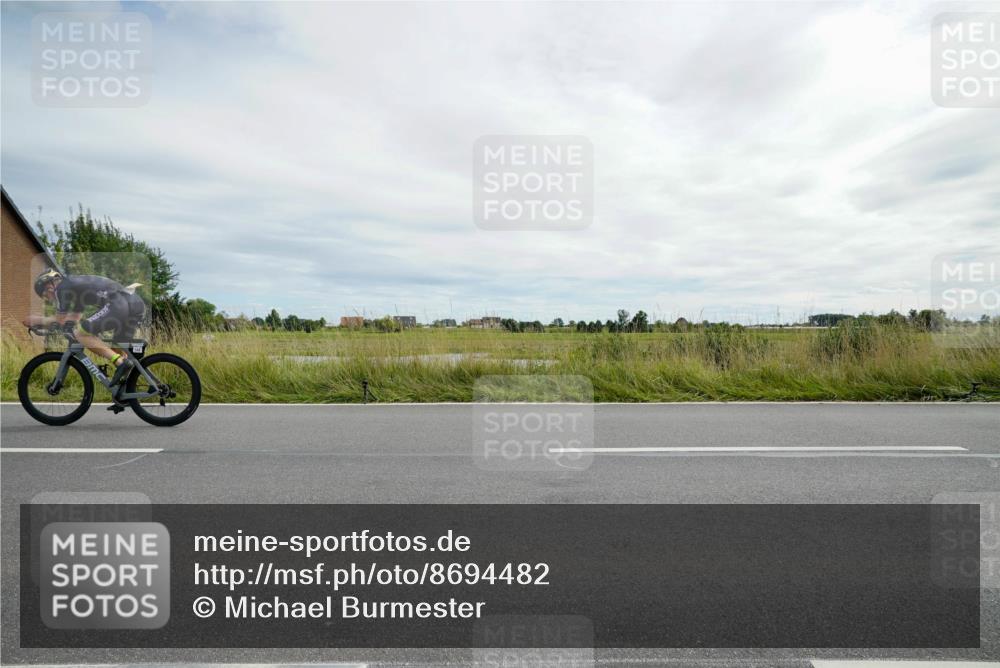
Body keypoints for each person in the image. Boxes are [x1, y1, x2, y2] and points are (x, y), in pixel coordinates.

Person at [24, 268, 146, 385]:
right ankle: (127, 387)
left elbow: (60, 318)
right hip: (135, 303)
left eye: (45, 296)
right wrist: (55, 325)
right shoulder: (75, 287)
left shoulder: (61, 288)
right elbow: (75, 317)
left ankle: (120, 362)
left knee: (81, 334)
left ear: (49, 287)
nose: (48, 299)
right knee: (117, 346)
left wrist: (37, 320)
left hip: (118, 304)